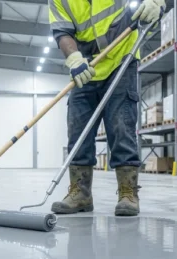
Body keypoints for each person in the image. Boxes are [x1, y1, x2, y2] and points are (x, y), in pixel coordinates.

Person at [48, 0, 165, 216]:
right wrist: (74, 58)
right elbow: (62, 32)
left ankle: (128, 193)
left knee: (121, 126)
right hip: (86, 68)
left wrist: (156, 3)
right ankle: (80, 194)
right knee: (78, 130)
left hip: (121, 60)